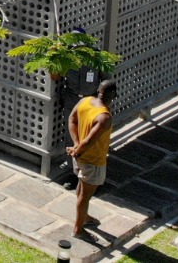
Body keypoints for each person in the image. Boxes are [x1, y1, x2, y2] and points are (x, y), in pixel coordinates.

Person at [67, 78, 118, 237]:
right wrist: (78, 150)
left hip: (79, 157)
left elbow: (72, 120)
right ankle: (78, 229)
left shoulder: (85, 101)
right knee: (85, 195)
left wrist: (76, 145)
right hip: (93, 161)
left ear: (98, 91)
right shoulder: (104, 117)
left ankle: (85, 217)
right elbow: (89, 140)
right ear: (114, 94)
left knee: (81, 188)